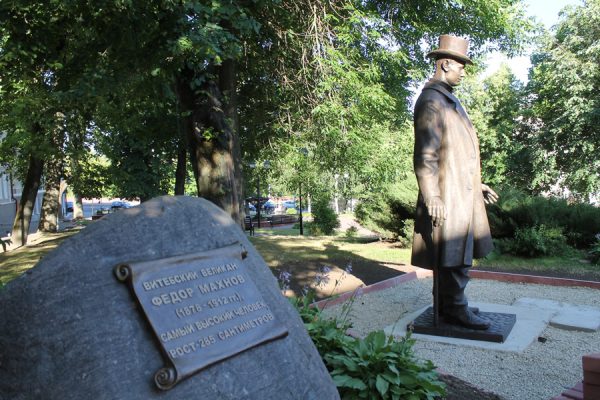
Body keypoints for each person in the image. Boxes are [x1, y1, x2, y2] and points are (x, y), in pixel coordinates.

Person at [411, 35, 499, 330]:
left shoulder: (449, 100)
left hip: (461, 191)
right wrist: (432, 196)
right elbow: (425, 154)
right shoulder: (432, 101)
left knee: (459, 251)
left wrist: (478, 183)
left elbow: (459, 154)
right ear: (446, 63)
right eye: (461, 65)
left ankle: (451, 304)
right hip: (447, 195)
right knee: (453, 253)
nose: (464, 71)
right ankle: (454, 309)